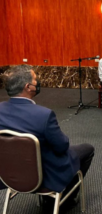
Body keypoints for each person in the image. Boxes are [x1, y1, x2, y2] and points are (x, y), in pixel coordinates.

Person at [0, 65, 94, 206]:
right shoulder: (44, 115)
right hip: (44, 176)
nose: (38, 82)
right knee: (87, 149)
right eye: (35, 79)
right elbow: (61, 147)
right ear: (28, 87)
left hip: (9, 175)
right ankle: (64, 200)